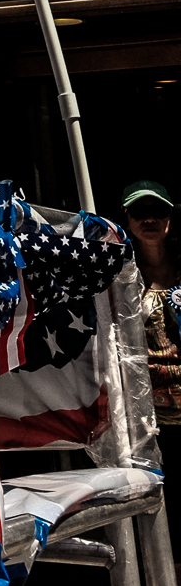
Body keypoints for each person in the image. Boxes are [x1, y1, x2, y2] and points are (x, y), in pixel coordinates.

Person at [122, 178, 180, 567]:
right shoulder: (123, 277)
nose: (150, 219)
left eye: (158, 211)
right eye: (140, 212)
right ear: (127, 219)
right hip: (153, 418)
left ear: (170, 219)